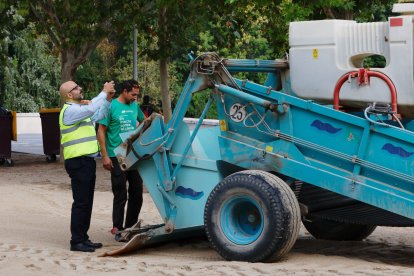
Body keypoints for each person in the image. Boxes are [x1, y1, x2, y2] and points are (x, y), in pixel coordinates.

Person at [59, 80, 115, 252]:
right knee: (81, 202)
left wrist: (107, 100)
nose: (80, 88)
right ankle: (76, 241)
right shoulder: (70, 111)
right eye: (76, 88)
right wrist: (103, 92)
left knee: (87, 202)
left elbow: (97, 114)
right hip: (78, 162)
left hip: (86, 162)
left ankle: (83, 238)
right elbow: (91, 109)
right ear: (69, 95)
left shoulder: (80, 111)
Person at [97, 79, 145, 242]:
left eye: (137, 95)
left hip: (132, 154)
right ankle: (118, 228)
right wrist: (104, 155)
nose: (135, 97)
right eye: (133, 94)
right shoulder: (111, 106)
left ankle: (130, 227)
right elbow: (101, 131)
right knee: (120, 193)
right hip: (116, 154)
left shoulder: (134, 106)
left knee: (137, 192)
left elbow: (143, 122)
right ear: (124, 91)